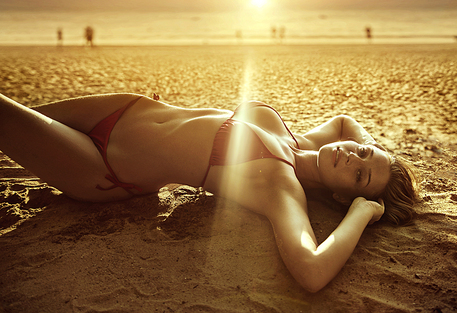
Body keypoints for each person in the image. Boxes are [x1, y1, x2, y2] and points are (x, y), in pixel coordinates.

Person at [0, 93, 418, 292]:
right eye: (363, 152)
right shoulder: (307, 139)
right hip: (121, 109)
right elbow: (346, 121)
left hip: (103, 165)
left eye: (360, 175)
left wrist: (362, 214)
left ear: (346, 196)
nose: (352, 157)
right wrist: (381, 156)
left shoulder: (279, 185)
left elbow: (311, 271)